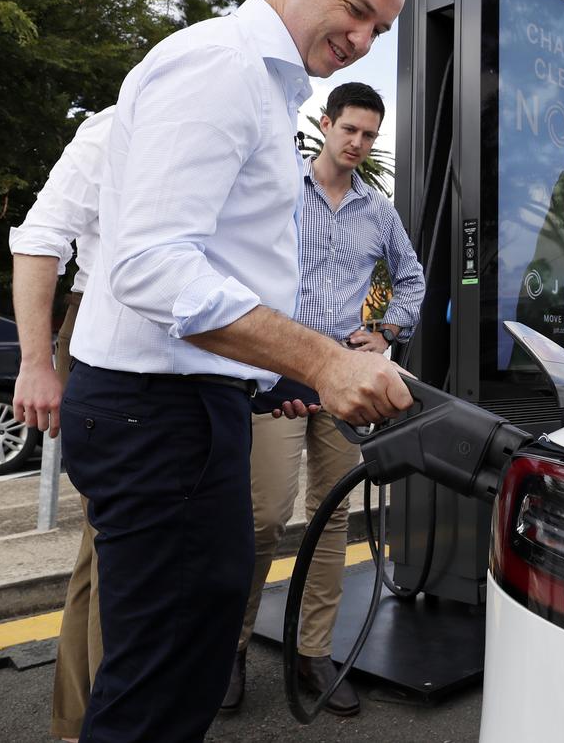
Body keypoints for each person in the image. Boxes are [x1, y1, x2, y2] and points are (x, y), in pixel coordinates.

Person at [55, 0, 410, 743]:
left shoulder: (267, 89)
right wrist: (320, 360)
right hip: (158, 419)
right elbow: (148, 265)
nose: (361, 38)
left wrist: (272, 376)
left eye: (379, 30)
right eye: (355, 8)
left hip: (191, 406)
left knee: (177, 668)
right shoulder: (221, 66)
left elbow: (223, 264)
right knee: (155, 689)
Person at [222, 82, 425, 716]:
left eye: (370, 135)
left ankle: (312, 652)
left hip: (347, 379)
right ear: (325, 123)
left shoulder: (378, 211)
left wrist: (387, 329)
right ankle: (228, 648)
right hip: (278, 375)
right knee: (262, 517)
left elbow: (412, 278)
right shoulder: (281, 190)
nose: (359, 144)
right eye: (350, 130)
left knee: (333, 516)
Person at [10, 107, 112, 742]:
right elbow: (40, 236)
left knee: (100, 543)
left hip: (170, 353)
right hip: (105, 338)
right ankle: (106, 721)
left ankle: (78, 721)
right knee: (117, 544)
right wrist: (35, 362)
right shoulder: (113, 129)